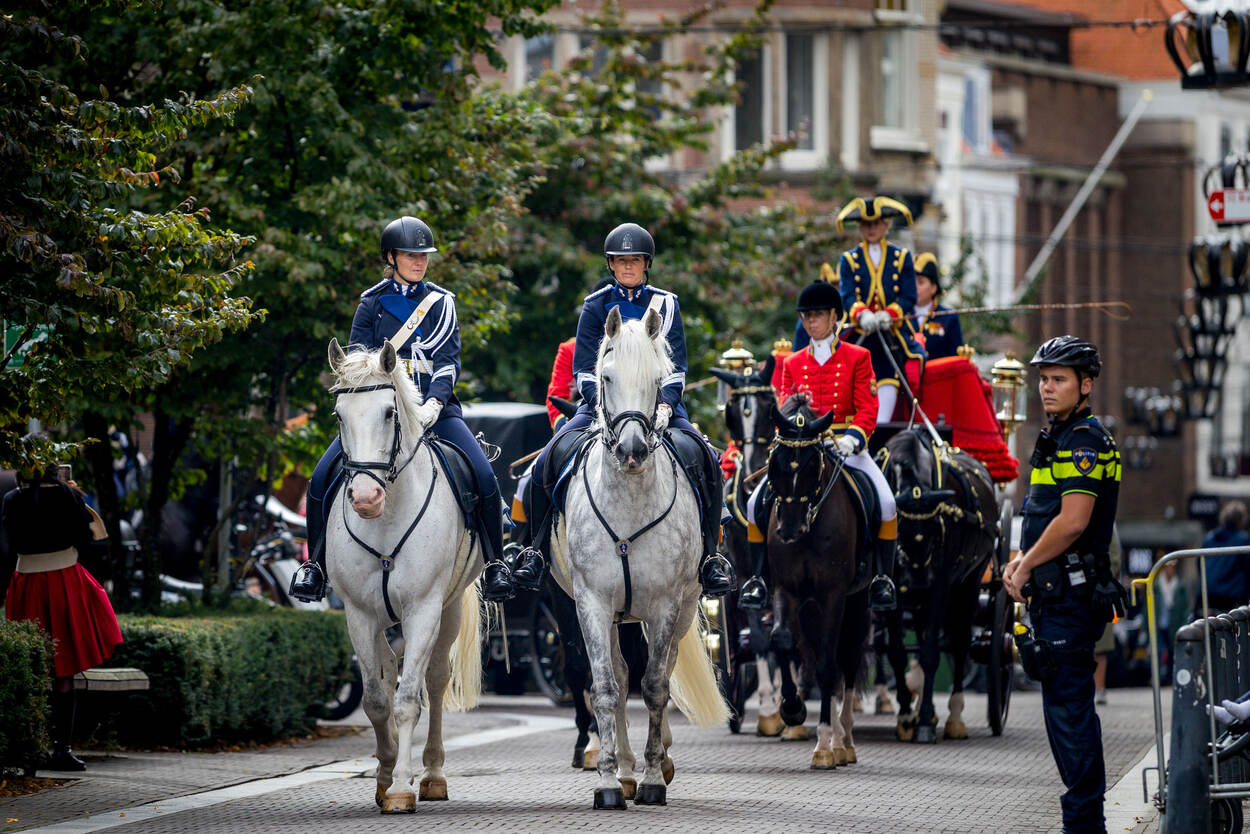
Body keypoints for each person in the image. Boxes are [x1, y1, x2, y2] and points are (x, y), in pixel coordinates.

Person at [290, 216, 514, 603]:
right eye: (411, 255)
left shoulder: (442, 304)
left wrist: (434, 402)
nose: (419, 261)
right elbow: (357, 363)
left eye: (423, 255)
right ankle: (317, 567)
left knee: (483, 475)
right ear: (391, 257)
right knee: (321, 476)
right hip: (380, 415)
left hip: (434, 409)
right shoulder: (372, 303)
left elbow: (448, 362)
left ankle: (494, 565)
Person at [514, 222, 735, 599]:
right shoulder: (595, 305)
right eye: (621, 261)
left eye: (635, 260)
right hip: (607, 408)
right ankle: (532, 549)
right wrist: (600, 405)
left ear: (646, 264)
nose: (628, 267)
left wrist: (665, 407)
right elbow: (584, 367)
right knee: (548, 460)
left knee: (705, 458)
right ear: (611, 265)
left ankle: (712, 556)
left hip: (657, 406)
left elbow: (677, 367)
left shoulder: (666, 303)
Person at [1003, 335, 1123, 834]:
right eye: (1043, 379)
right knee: (1062, 715)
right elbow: (1039, 512)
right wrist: (1019, 560)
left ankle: (1084, 825)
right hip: (1053, 595)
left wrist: (1027, 564)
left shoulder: (1085, 442)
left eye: (1058, 380)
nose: (1046, 388)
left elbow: (1073, 522)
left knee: (1071, 716)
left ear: (1085, 385)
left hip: (1071, 597)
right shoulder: (1058, 436)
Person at [739, 281, 899, 612]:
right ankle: (758, 579)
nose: (811, 322)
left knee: (887, 503)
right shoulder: (792, 363)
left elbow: (868, 407)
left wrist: (853, 439)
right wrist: (787, 415)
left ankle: (883, 579)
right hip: (802, 448)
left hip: (844, 444)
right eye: (806, 316)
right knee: (756, 504)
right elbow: (783, 410)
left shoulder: (859, 356)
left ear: (835, 318)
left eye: (817, 315)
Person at [3, 465, 123, 771]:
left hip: (26, 581)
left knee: (32, 666)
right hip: (63, 580)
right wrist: (71, 494)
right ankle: (62, 748)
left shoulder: (12, 499)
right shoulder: (68, 495)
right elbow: (86, 539)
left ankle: (31, 748)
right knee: (64, 666)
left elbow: (10, 543)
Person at [827, 195, 925, 425]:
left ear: (886, 225)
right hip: (860, 331)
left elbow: (909, 296)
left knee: (905, 363)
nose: (871, 229)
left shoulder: (901, 257)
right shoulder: (849, 259)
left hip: (891, 333)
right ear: (860, 227)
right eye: (866, 224)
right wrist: (862, 313)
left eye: (876, 223)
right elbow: (848, 295)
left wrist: (888, 315)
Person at [1197, 500, 1250, 614]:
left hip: (1206, 598)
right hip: (1232, 600)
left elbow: (1199, 565)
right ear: (1241, 521)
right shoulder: (1244, 540)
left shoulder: (1209, 538)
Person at [909, 253, 964, 361]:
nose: (914, 287)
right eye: (911, 281)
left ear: (933, 288)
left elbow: (954, 359)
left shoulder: (948, 317)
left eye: (920, 282)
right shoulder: (902, 314)